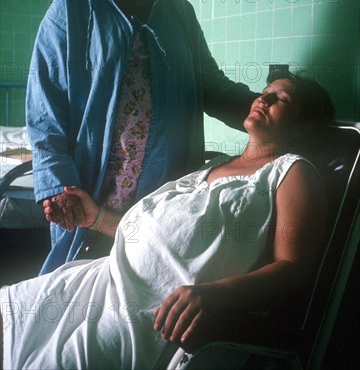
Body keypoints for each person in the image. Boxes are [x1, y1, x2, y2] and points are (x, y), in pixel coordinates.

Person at [1, 73, 335, 369]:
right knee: (8, 314)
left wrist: (215, 295)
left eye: (281, 99)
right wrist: (96, 217)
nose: (264, 99)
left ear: (302, 125)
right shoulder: (215, 165)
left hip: (148, 312)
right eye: (265, 91)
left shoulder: (292, 172)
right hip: (101, 279)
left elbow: (293, 269)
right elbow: (160, 232)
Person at [26, 0, 258, 274]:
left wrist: (274, 110)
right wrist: (56, 184)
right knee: (84, 301)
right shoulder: (74, 5)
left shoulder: (179, 13)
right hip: (90, 194)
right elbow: (45, 112)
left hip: (162, 196)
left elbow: (212, 87)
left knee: (151, 296)